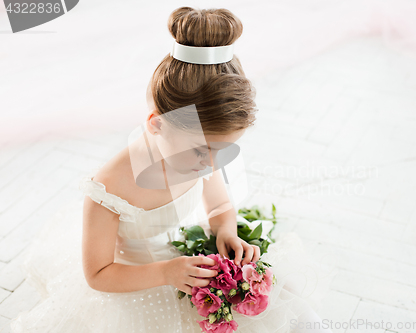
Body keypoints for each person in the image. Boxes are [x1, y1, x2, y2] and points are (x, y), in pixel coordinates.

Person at [9, 6, 337, 333]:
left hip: (183, 260)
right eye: (201, 151)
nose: (210, 164)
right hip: (136, 279)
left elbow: (221, 205)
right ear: (157, 125)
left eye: (222, 152)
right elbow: (97, 274)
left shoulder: (199, 157)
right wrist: (166, 273)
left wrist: (226, 231)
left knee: (289, 308)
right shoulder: (108, 189)